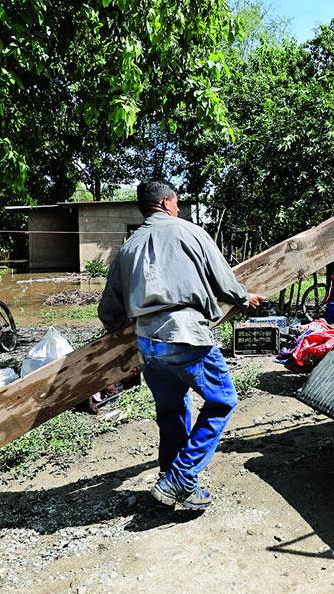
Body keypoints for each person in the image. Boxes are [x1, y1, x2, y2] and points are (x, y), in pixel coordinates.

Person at [98, 181, 264, 511]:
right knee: (222, 401)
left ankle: (172, 482)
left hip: (148, 344)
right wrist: (245, 297)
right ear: (167, 202)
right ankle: (181, 478)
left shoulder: (128, 249)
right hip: (185, 335)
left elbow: (109, 313)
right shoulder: (190, 232)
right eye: (176, 202)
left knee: (172, 410)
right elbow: (224, 281)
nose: (177, 207)